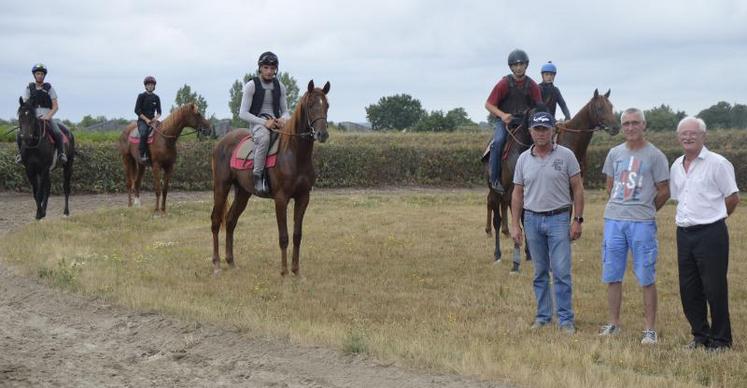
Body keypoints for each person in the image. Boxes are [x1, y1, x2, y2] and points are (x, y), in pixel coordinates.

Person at [598, 108, 670, 344]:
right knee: (612, 274)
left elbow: (664, 191)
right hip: (614, 220)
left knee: (646, 275)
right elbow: (610, 185)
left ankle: (649, 329)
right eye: (626, 123)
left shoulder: (655, 156)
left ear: (644, 125)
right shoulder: (614, 153)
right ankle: (614, 323)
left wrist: (645, 209)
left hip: (642, 223)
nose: (630, 127)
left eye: (635, 123)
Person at [510, 111, 584, 334]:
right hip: (532, 219)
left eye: (545, 129)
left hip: (559, 218)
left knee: (561, 271)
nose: (541, 133)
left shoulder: (566, 156)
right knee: (539, 272)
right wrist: (515, 224)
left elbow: (578, 188)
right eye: (537, 129)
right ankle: (543, 316)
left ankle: (565, 319)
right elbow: (517, 193)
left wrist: (577, 219)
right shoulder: (523, 159)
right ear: (531, 132)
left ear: (553, 130)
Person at [670, 116, 739, 351]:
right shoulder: (676, 165)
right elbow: (680, 197)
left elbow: (732, 197)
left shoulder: (718, 163)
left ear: (703, 136)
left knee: (714, 287)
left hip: (711, 233)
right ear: (678, 137)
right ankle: (700, 335)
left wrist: (714, 218)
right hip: (685, 233)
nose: (688, 137)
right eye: (684, 134)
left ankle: (721, 340)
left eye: (693, 133)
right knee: (689, 288)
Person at [485, 49, 542, 193]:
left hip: (525, 123)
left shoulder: (532, 86)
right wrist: (503, 115)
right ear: (510, 67)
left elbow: (539, 106)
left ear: (526, 65)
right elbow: (489, 104)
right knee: (498, 141)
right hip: (505, 122)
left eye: (521, 64)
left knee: (545, 141)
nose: (518, 68)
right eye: (515, 65)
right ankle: (495, 178)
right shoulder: (503, 84)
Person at [239, 51, 290, 196]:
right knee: (264, 139)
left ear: (276, 70)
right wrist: (263, 122)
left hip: (275, 123)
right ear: (260, 68)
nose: (269, 71)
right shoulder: (251, 85)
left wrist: (283, 119)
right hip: (257, 124)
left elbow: (286, 111)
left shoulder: (280, 86)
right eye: (266, 67)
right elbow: (242, 113)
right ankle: (257, 175)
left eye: (272, 68)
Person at [17, 63, 67, 164]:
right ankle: (20, 155)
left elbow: (55, 106)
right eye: (38, 73)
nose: (39, 75)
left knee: (57, 132)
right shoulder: (29, 88)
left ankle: (61, 154)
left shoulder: (49, 88)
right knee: (19, 134)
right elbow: (26, 105)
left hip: (47, 116)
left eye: (41, 74)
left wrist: (48, 116)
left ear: (44, 75)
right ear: (34, 75)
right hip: (33, 117)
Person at [133, 75, 162, 163]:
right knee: (144, 133)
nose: (150, 86)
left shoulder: (156, 98)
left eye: (152, 84)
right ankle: (143, 154)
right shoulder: (141, 96)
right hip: (142, 121)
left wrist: (155, 119)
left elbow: (159, 112)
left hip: (153, 120)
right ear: (145, 86)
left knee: (162, 131)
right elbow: (137, 110)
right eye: (148, 84)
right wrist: (146, 120)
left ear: (154, 86)